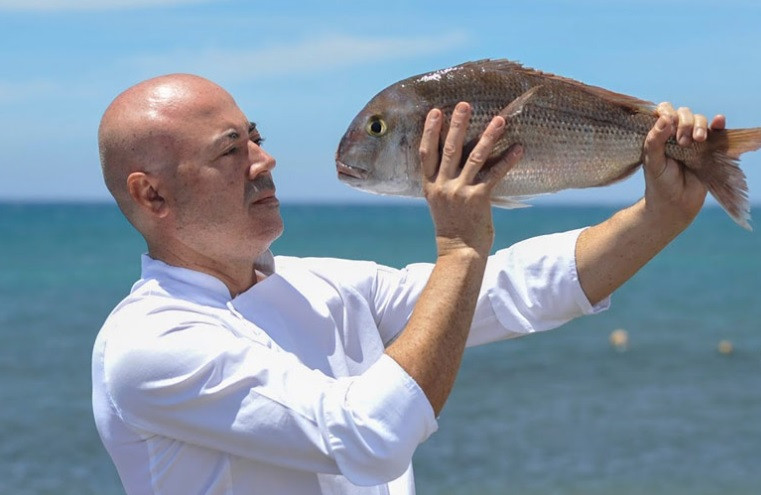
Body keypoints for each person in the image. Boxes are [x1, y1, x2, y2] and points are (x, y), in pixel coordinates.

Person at [92, 73, 723, 495]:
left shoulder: (324, 286)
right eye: (231, 150)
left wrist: (659, 215)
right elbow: (367, 437)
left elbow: (512, 290)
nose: (265, 159)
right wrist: (460, 245)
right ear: (153, 195)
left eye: (256, 137)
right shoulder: (151, 344)